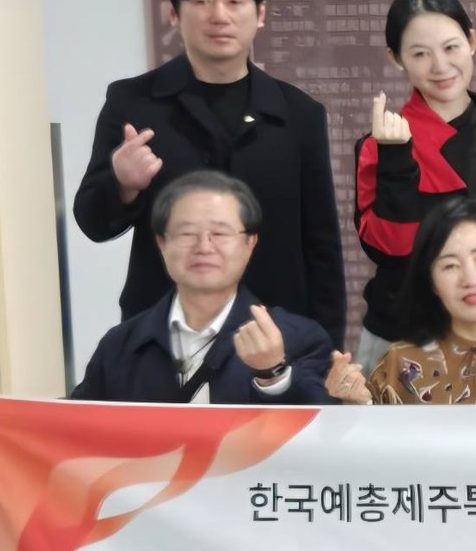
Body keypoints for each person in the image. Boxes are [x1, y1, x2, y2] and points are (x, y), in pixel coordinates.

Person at [74, 0, 345, 337]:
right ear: (174, 13)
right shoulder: (133, 102)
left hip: (272, 328)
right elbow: (93, 223)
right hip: (163, 329)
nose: (219, 15)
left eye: (235, 1)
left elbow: (321, 244)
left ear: (260, 13)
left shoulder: (299, 114)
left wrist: (325, 348)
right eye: (201, 1)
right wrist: (122, 184)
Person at [353, 0, 476, 375]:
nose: (440, 66)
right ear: (396, 59)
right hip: (401, 336)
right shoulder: (380, 144)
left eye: (451, 47)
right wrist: (396, 158)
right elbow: (390, 249)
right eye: (420, 54)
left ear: (472, 42)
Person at [51, 172, 330, 407]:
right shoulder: (119, 346)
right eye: (186, 234)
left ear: (250, 243)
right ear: (162, 243)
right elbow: (76, 431)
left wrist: (274, 374)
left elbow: (322, 439)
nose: (204, 247)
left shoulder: (300, 340)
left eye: (219, 233)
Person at [329, 198, 476, 405]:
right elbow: (373, 440)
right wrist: (354, 403)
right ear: (431, 281)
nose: (471, 279)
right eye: (450, 265)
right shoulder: (398, 366)